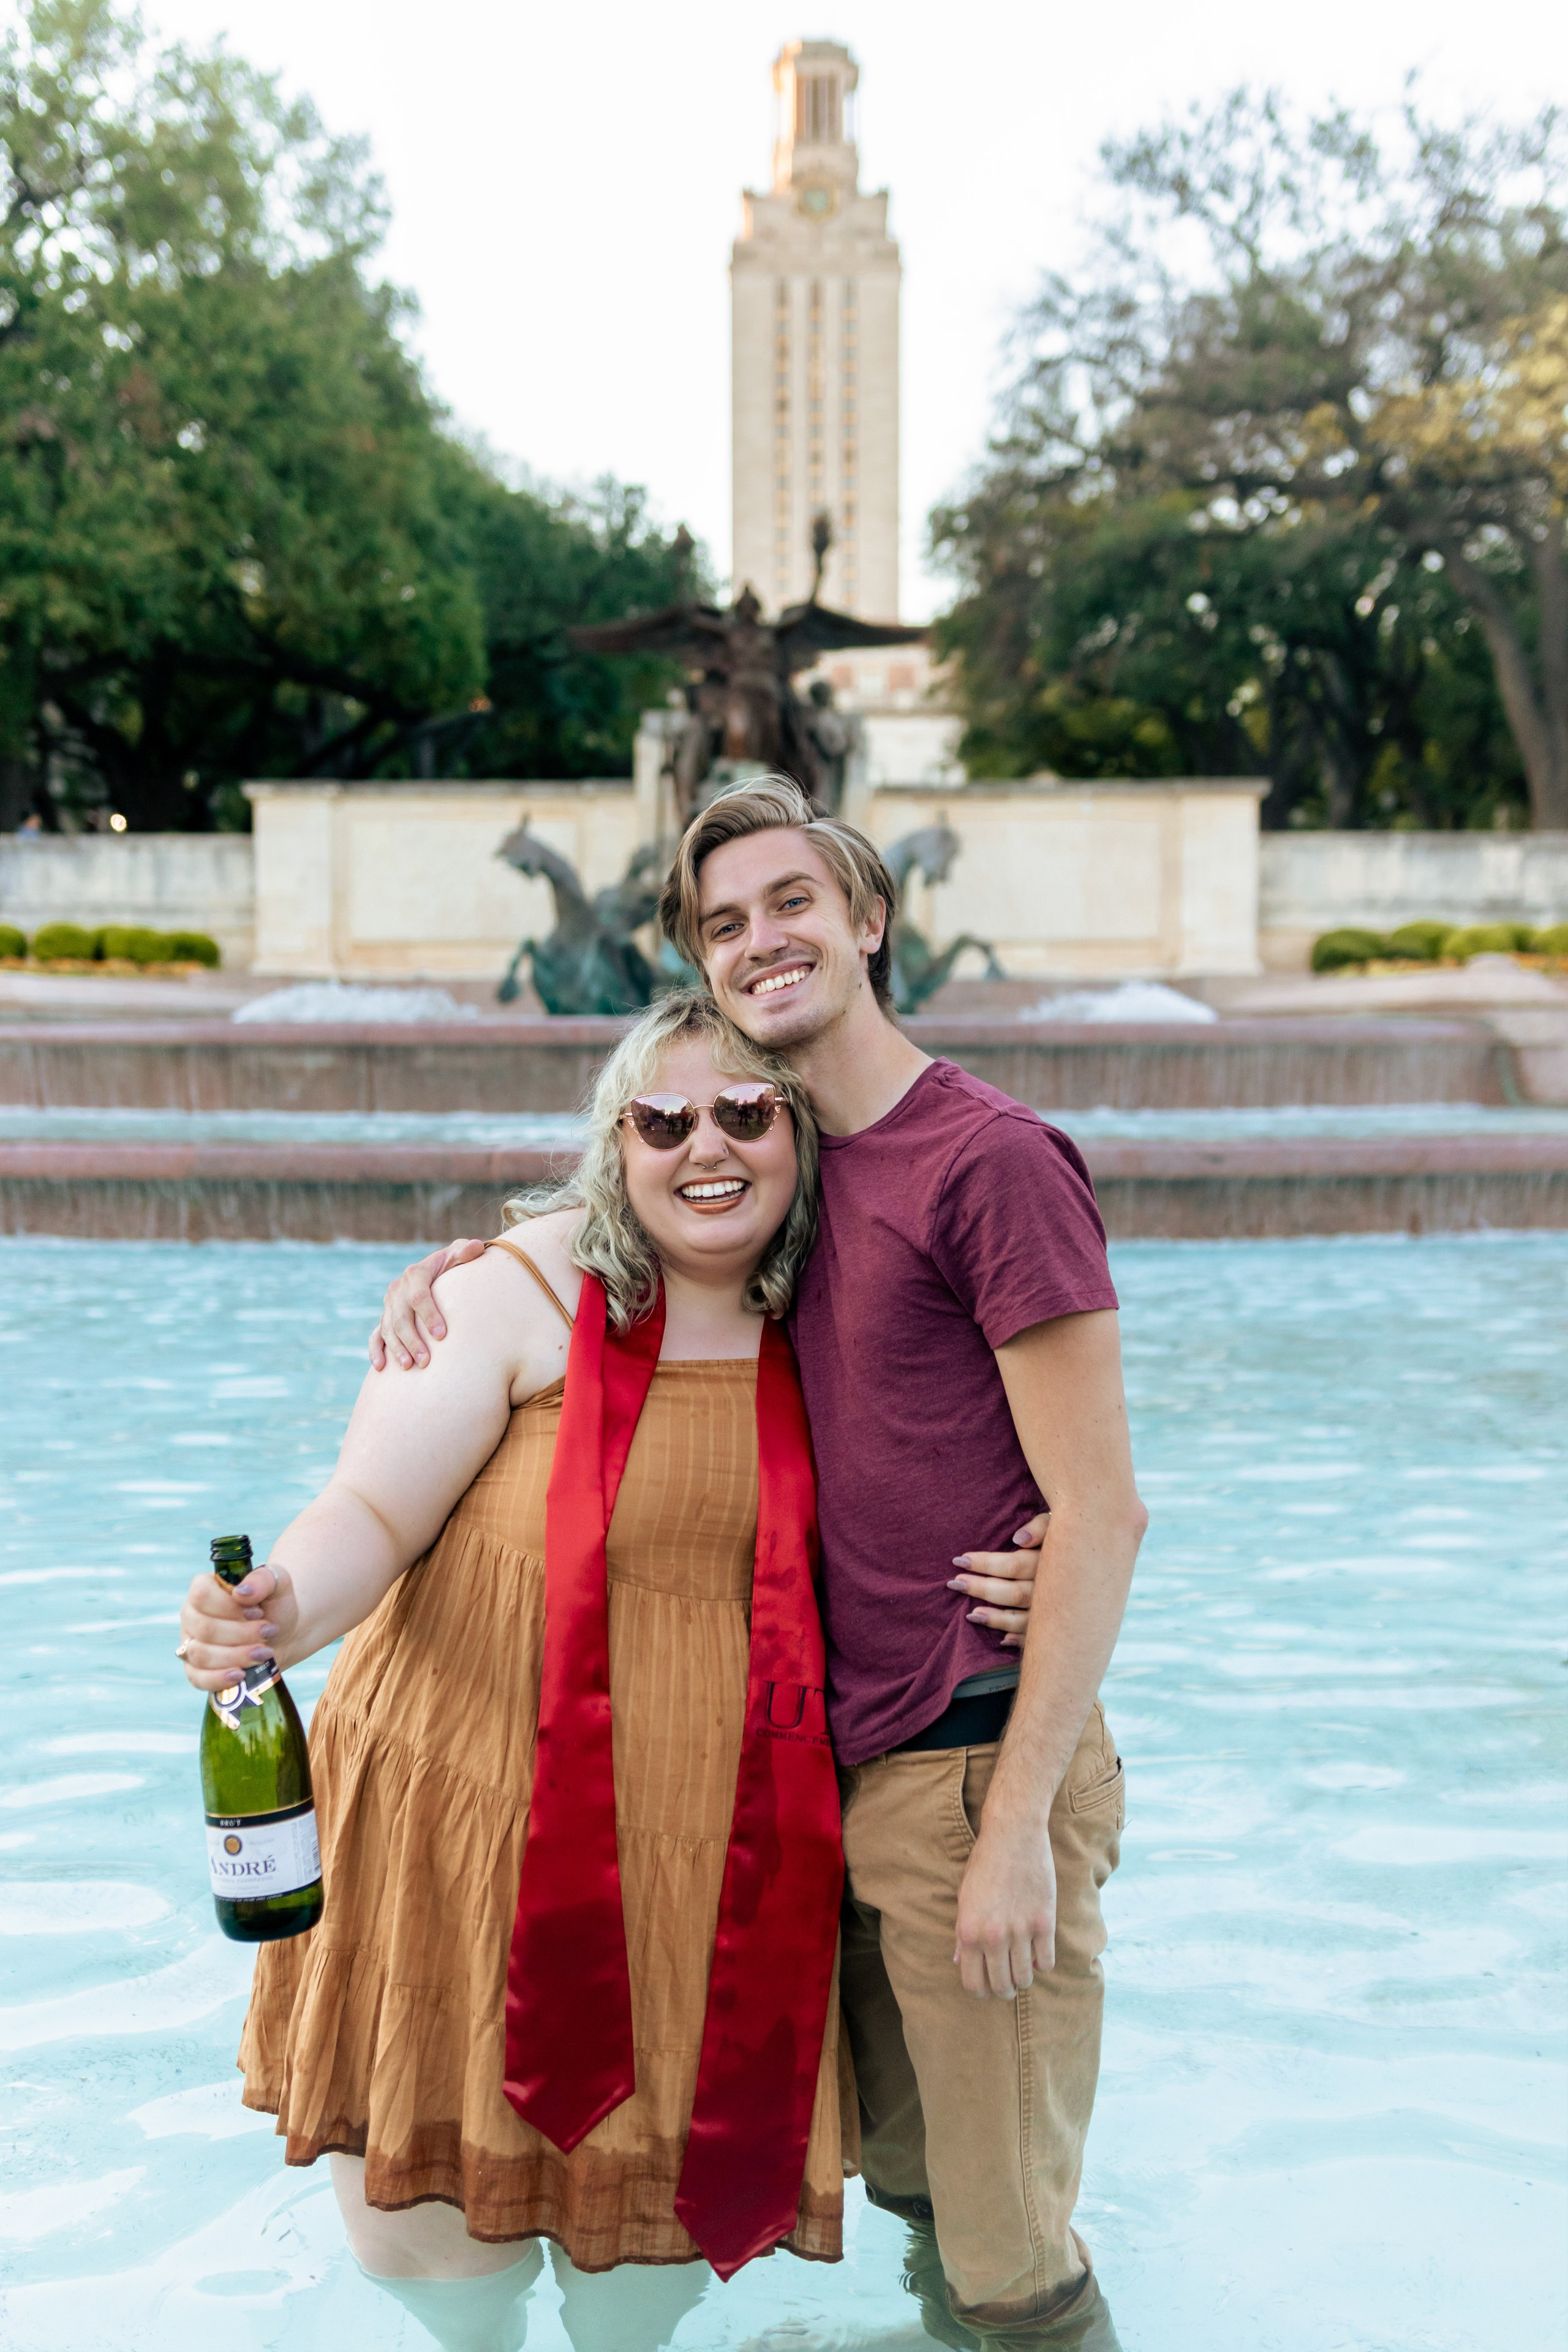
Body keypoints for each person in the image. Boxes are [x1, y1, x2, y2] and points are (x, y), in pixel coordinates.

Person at [377, 778, 1147, 2351]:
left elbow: (1105, 1512)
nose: (761, 940)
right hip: (832, 1786)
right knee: (929, 2206)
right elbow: (646, 1205)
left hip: (967, 1780)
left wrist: (1013, 1838)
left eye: (792, 902)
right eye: (723, 924)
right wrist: (466, 1261)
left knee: (1015, 2268)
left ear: (869, 920)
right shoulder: (793, 1159)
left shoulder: (986, 1161)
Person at [178, 990, 860, 2352]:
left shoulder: (850, 1326)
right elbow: (374, 1512)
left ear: (805, 1132)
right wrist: (274, 1611)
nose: (705, 1147)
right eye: (663, 1119)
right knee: (447, 2275)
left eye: (746, 1111)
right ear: (617, 1142)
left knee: (636, 2296)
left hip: (699, 1880)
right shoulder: (521, 1288)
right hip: (457, 1828)